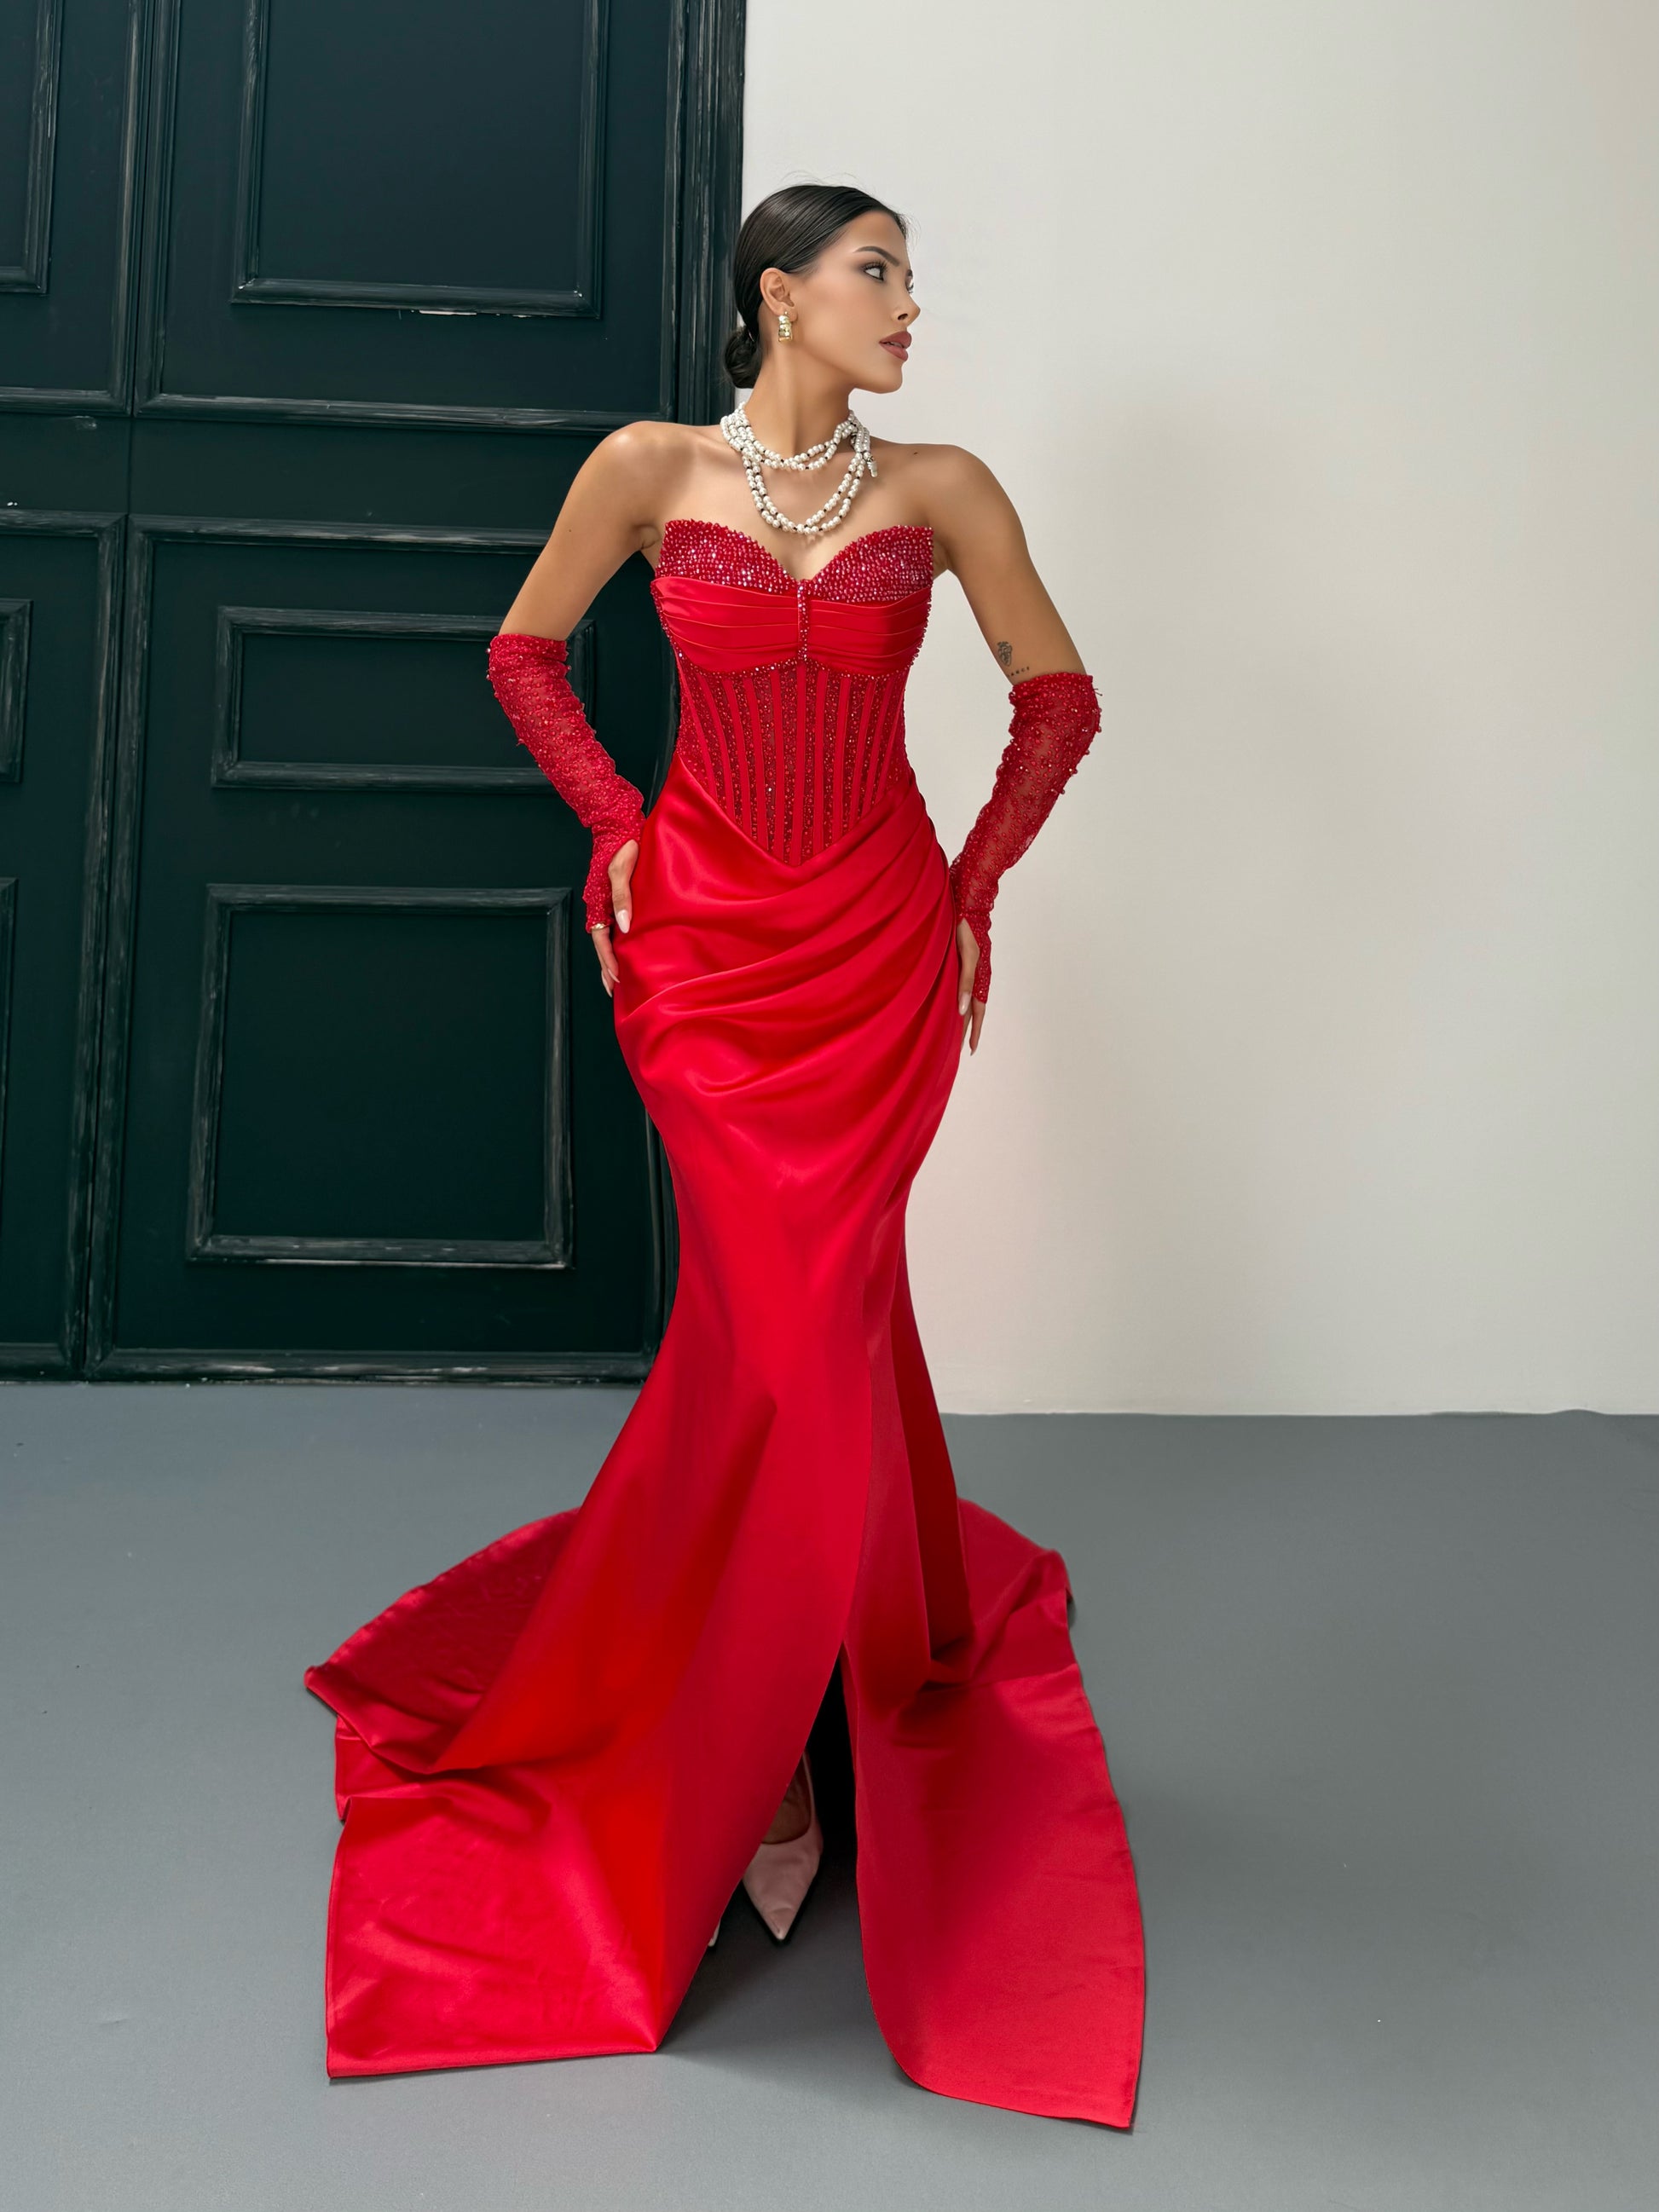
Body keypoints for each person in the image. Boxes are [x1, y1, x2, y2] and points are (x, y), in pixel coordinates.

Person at [304, 183, 1145, 2127]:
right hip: (700, 951)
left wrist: (971, 886)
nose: (910, 308)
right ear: (777, 294)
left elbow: (1060, 694)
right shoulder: (643, 465)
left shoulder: (941, 489)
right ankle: (760, 1735)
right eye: (877, 274)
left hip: (869, 954)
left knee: (817, 1321)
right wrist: (617, 831)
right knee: (774, 1331)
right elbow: (525, 656)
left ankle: (787, 1706)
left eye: (911, 279)